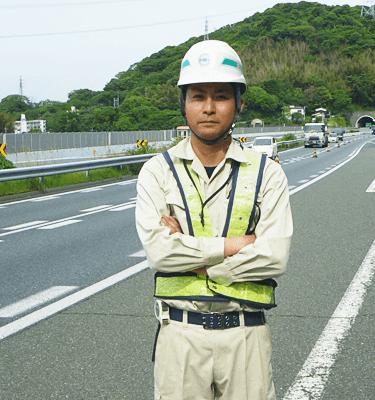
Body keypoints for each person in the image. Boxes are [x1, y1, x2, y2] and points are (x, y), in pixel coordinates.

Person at [135, 40, 293, 400]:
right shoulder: (157, 171)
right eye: (197, 96)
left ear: (239, 104)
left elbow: (274, 256)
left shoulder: (266, 173)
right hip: (179, 335)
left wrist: (201, 265)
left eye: (221, 96)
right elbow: (161, 254)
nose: (208, 108)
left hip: (246, 333)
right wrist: (234, 246)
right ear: (184, 104)